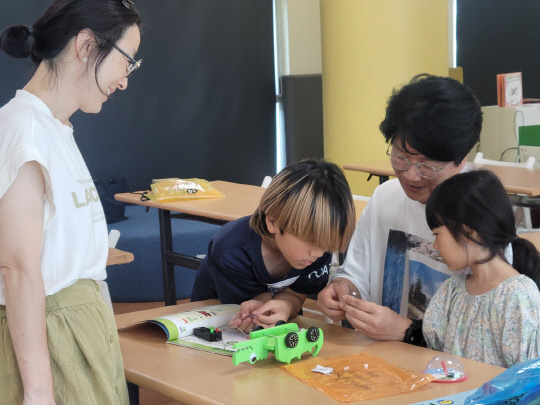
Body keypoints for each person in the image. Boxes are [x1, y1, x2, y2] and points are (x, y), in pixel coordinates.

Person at [0, 1, 142, 403]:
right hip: (53, 340)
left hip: (83, 332)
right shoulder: (23, 128)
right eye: (126, 62)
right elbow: (18, 268)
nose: (125, 80)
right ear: (85, 45)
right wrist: (39, 392)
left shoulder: (55, 128)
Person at [317, 74, 483, 344]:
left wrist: (408, 332)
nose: (411, 175)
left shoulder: (481, 217)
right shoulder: (385, 198)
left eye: (427, 165)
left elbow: (486, 332)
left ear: (462, 159)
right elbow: (355, 275)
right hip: (381, 365)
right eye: (401, 157)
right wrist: (343, 290)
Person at [191, 158, 356, 332]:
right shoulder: (231, 251)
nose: (318, 253)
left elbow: (296, 293)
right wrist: (266, 305)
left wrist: (285, 305)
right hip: (212, 324)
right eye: (311, 240)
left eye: (326, 244)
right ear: (273, 221)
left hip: (267, 328)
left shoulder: (318, 248)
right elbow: (242, 312)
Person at [422, 170, 540, 367]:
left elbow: (527, 380)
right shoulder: (451, 292)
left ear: (468, 230)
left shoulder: (518, 296)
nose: (435, 245)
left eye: (436, 234)